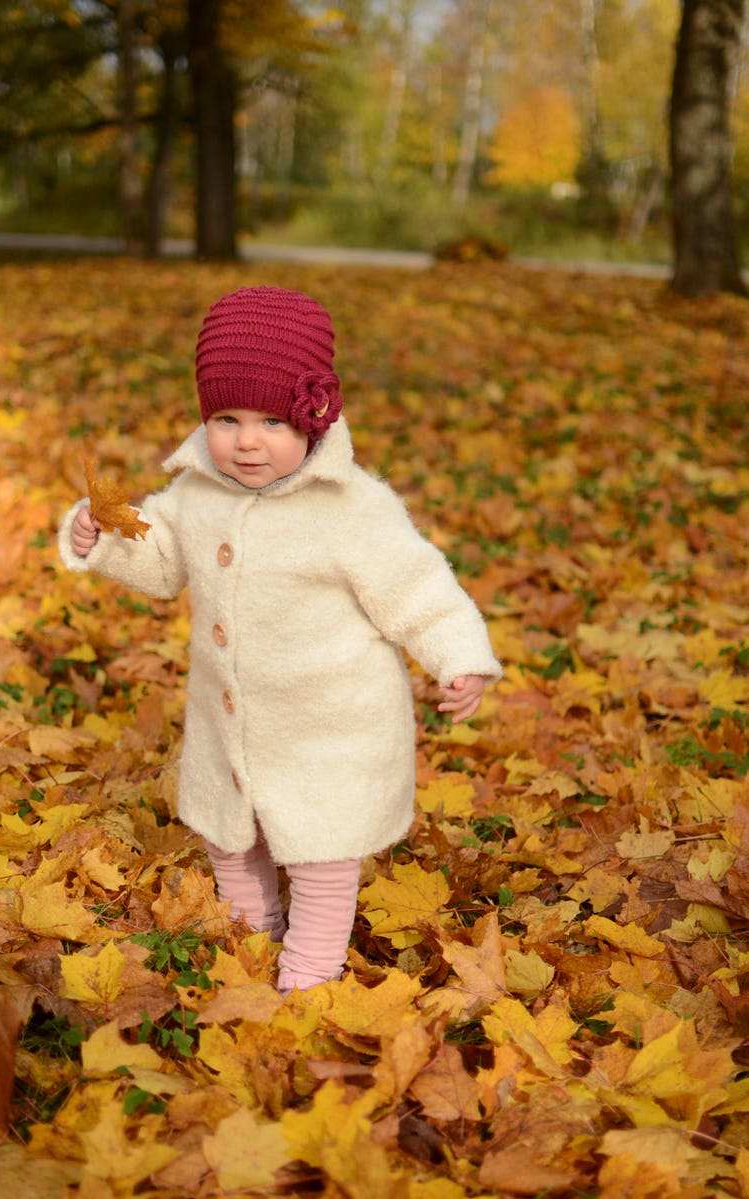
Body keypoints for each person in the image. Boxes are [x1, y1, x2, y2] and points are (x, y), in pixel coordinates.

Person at [59, 286, 502, 994]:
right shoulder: (198, 493)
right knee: (228, 835)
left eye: (271, 420)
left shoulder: (353, 508)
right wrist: (105, 539)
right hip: (229, 724)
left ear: (313, 416)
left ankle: (311, 971)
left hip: (332, 727)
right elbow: (163, 558)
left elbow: (416, 586)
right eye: (225, 418)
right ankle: (250, 929)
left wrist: (459, 658)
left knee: (322, 854)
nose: (245, 440)